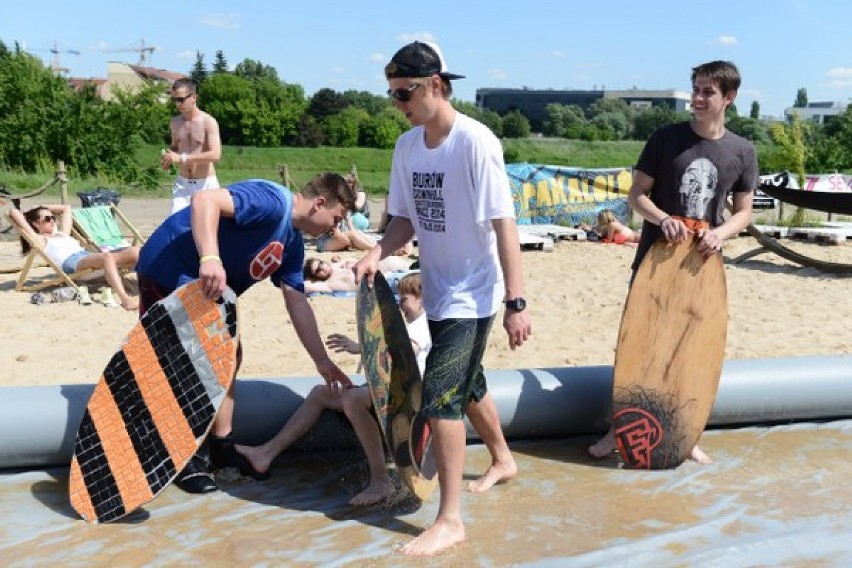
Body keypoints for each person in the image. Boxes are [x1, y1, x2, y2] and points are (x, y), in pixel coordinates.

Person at [353, 41, 532, 556]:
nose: (397, 103)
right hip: (436, 286)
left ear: (436, 84)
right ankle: (502, 458)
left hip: (474, 293)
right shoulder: (407, 148)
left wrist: (516, 302)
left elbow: (505, 224)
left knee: (440, 397)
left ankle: (450, 518)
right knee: (468, 382)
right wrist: (377, 255)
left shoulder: (476, 142)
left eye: (403, 92)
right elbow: (404, 221)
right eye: (391, 95)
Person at [135, 173, 357, 494]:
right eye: (336, 218)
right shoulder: (271, 200)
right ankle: (183, 456)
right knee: (190, 363)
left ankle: (222, 447)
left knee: (230, 357)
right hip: (170, 270)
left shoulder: (292, 244)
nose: (334, 228)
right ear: (319, 204)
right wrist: (209, 257)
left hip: (206, 290)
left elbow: (297, 303)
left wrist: (322, 363)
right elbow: (204, 200)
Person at [587, 60, 758, 464]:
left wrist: (721, 233)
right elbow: (637, 195)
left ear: (729, 98)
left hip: (702, 269)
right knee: (640, 345)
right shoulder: (666, 138)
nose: (697, 99)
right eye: (695, 90)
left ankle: (684, 435)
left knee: (687, 349)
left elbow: (744, 212)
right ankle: (618, 431)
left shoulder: (742, 150)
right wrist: (662, 218)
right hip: (654, 263)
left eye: (707, 93)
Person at [233, 272, 430, 505]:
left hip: (406, 402)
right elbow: (391, 349)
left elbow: (407, 352)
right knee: (320, 394)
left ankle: (381, 481)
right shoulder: (409, 327)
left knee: (352, 400)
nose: (400, 305)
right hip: (386, 392)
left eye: (404, 299)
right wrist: (359, 347)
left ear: (422, 298)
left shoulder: (423, 324)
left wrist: (369, 350)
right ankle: (264, 454)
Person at [11, 204, 140, 310]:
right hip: (72, 263)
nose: (52, 220)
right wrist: (29, 213)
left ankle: (157, 285)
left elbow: (66, 208)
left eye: (52, 218)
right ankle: (126, 300)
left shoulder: (63, 234)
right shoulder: (40, 240)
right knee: (106, 257)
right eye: (47, 219)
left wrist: (41, 206)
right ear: (36, 224)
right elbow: (13, 212)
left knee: (135, 251)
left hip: (88, 257)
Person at [160, 78, 222, 214]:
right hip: (183, 184)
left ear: (194, 97)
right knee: (176, 227)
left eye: (181, 99)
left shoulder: (208, 122)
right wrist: (169, 157)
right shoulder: (175, 123)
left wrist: (182, 158)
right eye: (175, 100)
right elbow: (176, 146)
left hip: (205, 184)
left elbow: (215, 155)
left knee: (206, 230)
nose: (178, 104)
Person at [303, 254, 413, 294]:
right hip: (386, 280)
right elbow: (304, 286)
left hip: (387, 267)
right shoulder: (328, 284)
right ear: (315, 277)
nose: (323, 268)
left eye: (321, 263)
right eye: (318, 270)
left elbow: (339, 261)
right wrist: (309, 279)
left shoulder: (336, 267)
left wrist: (341, 261)